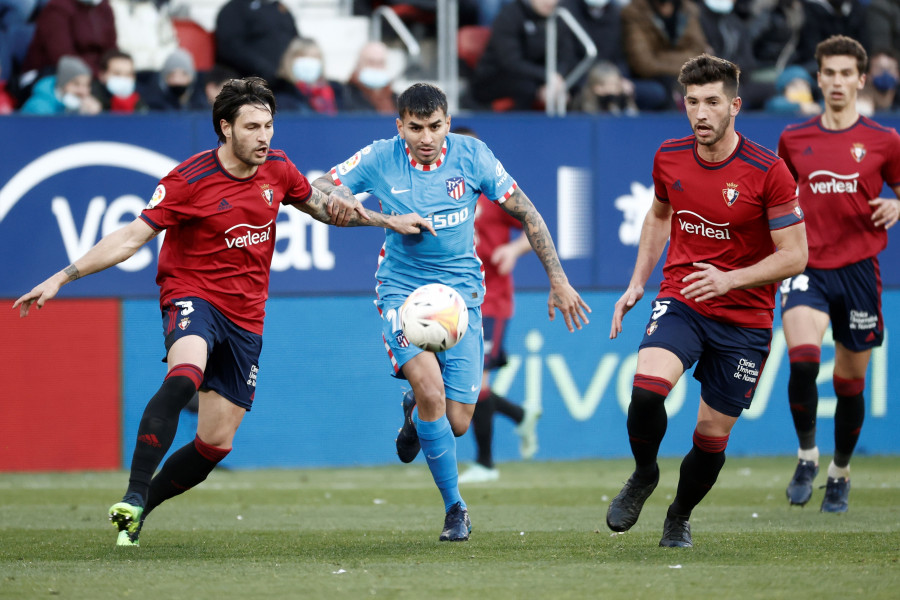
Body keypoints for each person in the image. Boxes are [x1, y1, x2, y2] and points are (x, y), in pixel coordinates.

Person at [13, 76, 434, 547]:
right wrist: (61, 277)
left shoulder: (278, 168)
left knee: (215, 443)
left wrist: (386, 219)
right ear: (225, 128)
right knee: (184, 374)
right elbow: (131, 238)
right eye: (252, 126)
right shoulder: (187, 180)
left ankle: (140, 511)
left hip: (246, 317)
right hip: (192, 295)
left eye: (269, 125)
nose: (264, 136)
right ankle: (132, 493)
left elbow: (321, 205)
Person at [312, 83, 591, 541]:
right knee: (429, 389)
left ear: (447, 122)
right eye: (416, 127)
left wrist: (558, 280)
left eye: (435, 126)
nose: (426, 137)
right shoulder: (382, 157)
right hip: (401, 293)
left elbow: (527, 212)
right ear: (399, 125)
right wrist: (376, 217)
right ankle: (455, 508)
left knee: (458, 421)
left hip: (460, 299)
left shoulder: (473, 155)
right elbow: (320, 187)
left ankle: (413, 415)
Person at [607, 54, 807, 548]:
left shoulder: (769, 171)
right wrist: (637, 282)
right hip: (685, 297)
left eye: (712, 102)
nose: (700, 113)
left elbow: (796, 256)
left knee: (712, 437)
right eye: (692, 102)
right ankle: (644, 474)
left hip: (746, 319)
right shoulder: (669, 156)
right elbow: (659, 216)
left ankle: (679, 514)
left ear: (735, 105)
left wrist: (731, 279)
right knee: (648, 390)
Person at [777, 35, 900, 513]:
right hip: (806, 265)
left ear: (860, 80)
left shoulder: (884, 140)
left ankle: (840, 472)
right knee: (804, 360)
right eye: (829, 72)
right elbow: (776, 199)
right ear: (818, 77)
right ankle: (807, 456)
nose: (837, 81)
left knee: (850, 381)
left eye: (846, 73)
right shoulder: (795, 138)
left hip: (858, 272)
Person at [450, 126, 541, 485]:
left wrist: (513, 249)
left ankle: (486, 464)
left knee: (477, 382)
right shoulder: (441, 196)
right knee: (465, 383)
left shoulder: (494, 195)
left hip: (491, 300)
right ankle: (520, 415)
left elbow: (533, 225)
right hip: (454, 303)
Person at [471, 0, 577, 111]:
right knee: (526, 87)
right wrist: (546, 77)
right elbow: (511, 62)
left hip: (540, 78)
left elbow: (566, 54)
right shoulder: (510, 15)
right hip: (496, 78)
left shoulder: (560, 16)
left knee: (575, 85)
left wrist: (557, 78)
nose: (549, 2)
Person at [620, 0, 709, 109]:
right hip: (650, 78)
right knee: (665, 89)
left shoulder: (688, 9)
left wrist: (660, 56)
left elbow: (699, 52)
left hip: (685, 75)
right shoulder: (635, 11)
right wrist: (687, 64)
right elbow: (643, 64)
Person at [214, 0, 299, 84]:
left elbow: (296, 41)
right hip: (250, 84)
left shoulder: (281, 8)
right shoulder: (235, 8)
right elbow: (230, 47)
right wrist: (264, 69)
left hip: (286, 82)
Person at [271, 37, 345, 115]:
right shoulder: (281, 97)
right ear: (290, 60)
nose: (308, 62)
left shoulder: (336, 94)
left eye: (315, 57)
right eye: (302, 56)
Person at [20, 53, 102, 115]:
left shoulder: (75, 106)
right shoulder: (39, 107)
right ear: (62, 83)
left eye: (87, 85)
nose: (82, 91)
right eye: (76, 84)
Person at [140, 47, 206, 111]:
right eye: (172, 75)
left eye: (183, 74)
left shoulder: (201, 105)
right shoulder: (155, 106)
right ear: (165, 79)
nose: (177, 80)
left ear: (191, 77)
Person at [342, 40, 398, 115]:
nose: (376, 67)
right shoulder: (344, 95)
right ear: (359, 65)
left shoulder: (397, 99)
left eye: (380, 63)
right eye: (371, 62)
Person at [91, 49, 148, 113]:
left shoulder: (139, 100)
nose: (123, 79)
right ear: (101, 75)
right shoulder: (91, 95)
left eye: (128, 74)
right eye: (117, 74)